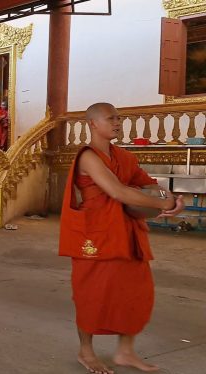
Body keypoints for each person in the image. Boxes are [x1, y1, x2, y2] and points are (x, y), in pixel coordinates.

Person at [59, 103, 185, 374]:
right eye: (110, 118)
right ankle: (86, 351)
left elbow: (148, 183)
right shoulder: (88, 157)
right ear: (93, 123)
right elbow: (117, 191)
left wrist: (171, 198)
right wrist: (162, 205)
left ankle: (125, 352)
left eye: (119, 118)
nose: (117, 122)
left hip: (126, 232)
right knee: (92, 294)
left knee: (135, 292)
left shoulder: (125, 157)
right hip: (94, 233)